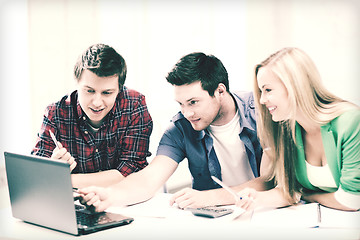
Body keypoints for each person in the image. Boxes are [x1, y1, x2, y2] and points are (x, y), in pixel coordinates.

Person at [79, 52, 271, 212]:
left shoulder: (264, 112)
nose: (187, 112)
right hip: (216, 221)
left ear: (220, 91)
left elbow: (272, 180)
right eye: (181, 104)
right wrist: (110, 196)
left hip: (269, 211)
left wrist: (209, 197)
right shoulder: (181, 127)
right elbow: (149, 178)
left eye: (193, 102)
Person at [236, 47, 360, 211]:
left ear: (294, 86)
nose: (262, 99)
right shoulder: (288, 129)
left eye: (268, 90)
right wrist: (257, 197)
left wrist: (308, 196)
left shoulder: (350, 122)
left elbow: (351, 200)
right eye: (261, 91)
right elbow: (290, 191)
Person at [31, 43, 153, 188]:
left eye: (107, 93)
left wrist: (62, 179)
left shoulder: (134, 105)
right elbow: (36, 174)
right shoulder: (55, 113)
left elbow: (132, 169)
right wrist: (51, 167)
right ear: (77, 83)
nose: (97, 102)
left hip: (122, 199)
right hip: (74, 203)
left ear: (119, 89)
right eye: (89, 91)